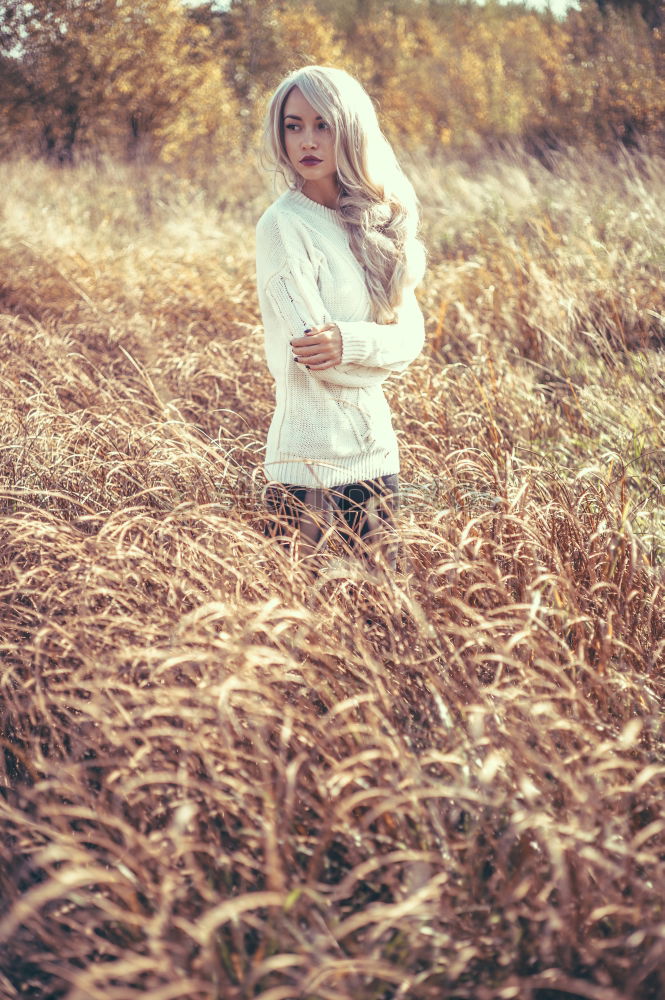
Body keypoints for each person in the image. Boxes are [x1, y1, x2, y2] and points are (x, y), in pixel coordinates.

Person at [255, 65, 426, 579]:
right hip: (304, 465)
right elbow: (316, 360)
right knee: (297, 639)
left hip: (376, 458)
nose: (306, 140)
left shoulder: (375, 221)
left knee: (382, 627)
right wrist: (373, 352)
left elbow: (413, 337)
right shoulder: (283, 226)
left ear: (350, 127)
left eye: (322, 124)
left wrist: (348, 343)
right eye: (293, 125)